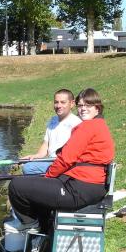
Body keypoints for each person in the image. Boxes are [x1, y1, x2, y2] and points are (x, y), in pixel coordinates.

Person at [7, 88, 115, 231]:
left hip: (79, 190)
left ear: (97, 108)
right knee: (36, 185)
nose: (83, 109)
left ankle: (30, 225)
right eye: (80, 105)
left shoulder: (87, 127)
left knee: (16, 186)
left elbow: (65, 159)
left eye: (87, 105)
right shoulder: (100, 125)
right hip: (90, 187)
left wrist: (48, 176)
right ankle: (44, 230)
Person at [21, 89, 81, 175]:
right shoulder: (53, 120)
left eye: (63, 102)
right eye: (56, 102)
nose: (58, 105)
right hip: (50, 160)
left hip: (63, 163)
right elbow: (46, 144)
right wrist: (36, 156)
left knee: (28, 168)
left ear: (71, 103)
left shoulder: (76, 123)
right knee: (27, 164)